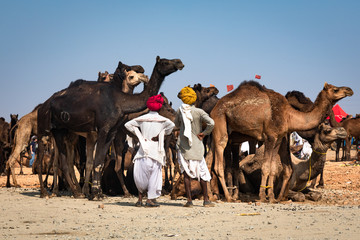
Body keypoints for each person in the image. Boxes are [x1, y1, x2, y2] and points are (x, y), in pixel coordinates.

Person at [125, 94, 175, 207]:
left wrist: (140, 136)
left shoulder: (142, 119)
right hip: (155, 151)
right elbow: (171, 126)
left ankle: (139, 200)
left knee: (140, 176)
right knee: (154, 176)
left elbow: (128, 125)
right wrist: (162, 133)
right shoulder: (163, 120)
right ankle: (149, 201)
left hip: (142, 150)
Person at [175, 86, 215, 207]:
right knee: (202, 174)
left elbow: (176, 125)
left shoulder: (180, 111)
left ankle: (189, 201)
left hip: (183, 147)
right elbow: (211, 123)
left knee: (186, 175)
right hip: (197, 147)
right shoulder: (199, 112)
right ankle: (206, 200)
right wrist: (205, 133)